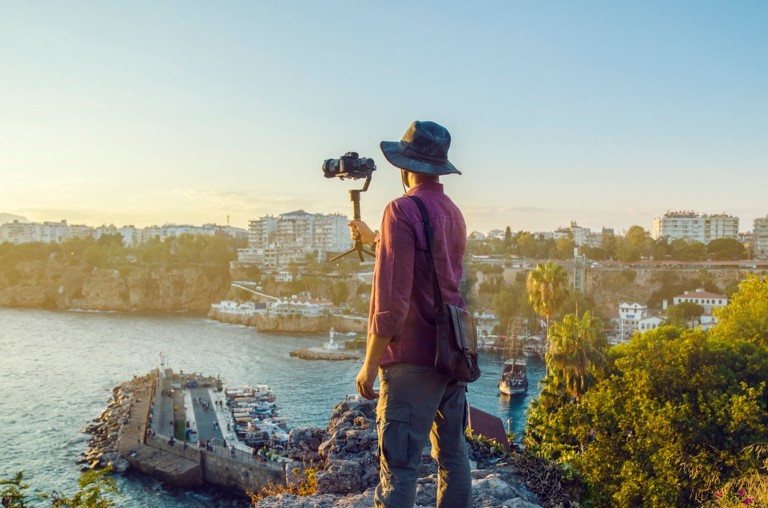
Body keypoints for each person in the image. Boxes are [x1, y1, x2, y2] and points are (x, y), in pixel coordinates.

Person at [350, 120, 471, 508]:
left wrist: (369, 364)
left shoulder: (400, 209)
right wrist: (374, 238)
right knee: (453, 456)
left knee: (399, 467)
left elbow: (391, 300)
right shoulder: (453, 212)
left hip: (411, 358)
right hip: (451, 351)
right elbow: (430, 264)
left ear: (405, 167)